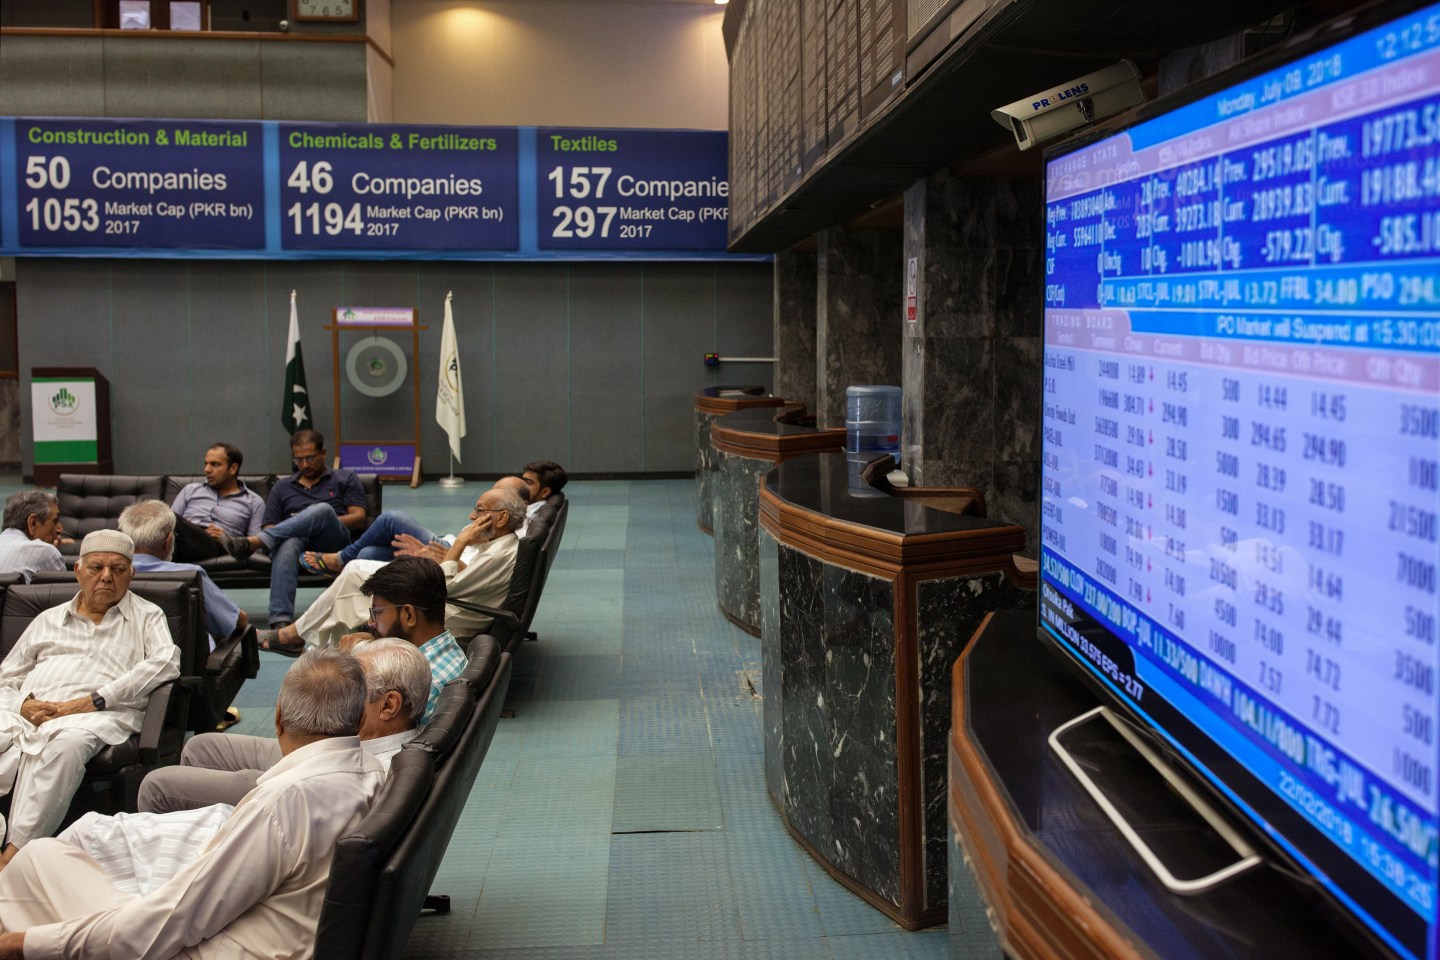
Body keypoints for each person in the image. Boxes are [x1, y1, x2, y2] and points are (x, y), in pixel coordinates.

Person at [0, 648, 385, 960]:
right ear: (358, 716)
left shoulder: (285, 801)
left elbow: (171, 924)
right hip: (261, 932)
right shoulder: (373, 772)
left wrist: (26, 945)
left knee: (31, 873)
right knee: (40, 857)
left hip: (211, 948)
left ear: (278, 719)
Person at [0, 530, 180, 865]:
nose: (106, 577)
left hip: (98, 715)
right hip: (29, 715)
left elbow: (166, 662)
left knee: (65, 747)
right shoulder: (46, 620)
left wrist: (91, 701)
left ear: (132, 573)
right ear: (78, 570)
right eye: (96, 567)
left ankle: (13, 858)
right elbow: (5, 678)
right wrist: (23, 705)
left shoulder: (146, 616)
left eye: (118, 569)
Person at [126, 636, 425, 824]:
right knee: (200, 746)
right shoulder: (393, 738)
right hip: (337, 750)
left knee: (156, 785)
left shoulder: (375, 771)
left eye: (355, 688)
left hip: (314, 777)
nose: (342, 691)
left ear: (388, 706)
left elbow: (308, 792)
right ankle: (204, 827)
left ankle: (197, 842)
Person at [263, 489, 521, 656]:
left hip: (442, 611)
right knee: (357, 568)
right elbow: (460, 579)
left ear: (500, 519)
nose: (471, 516)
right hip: (446, 600)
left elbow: (442, 586)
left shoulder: (499, 553)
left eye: (479, 511)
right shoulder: (499, 546)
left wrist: (462, 542)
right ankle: (312, 646)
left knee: (355, 582)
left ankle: (301, 641)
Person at [221, 429, 368, 630]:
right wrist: (299, 525)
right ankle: (280, 622)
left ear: (323, 453)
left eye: (310, 458)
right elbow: (270, 525)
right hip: (296, 544)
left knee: (322, 510)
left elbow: (359, 517)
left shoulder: (344, 478)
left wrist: (313, 518)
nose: (305, 465)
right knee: (289, 542)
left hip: (333, 542)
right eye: (299, 460)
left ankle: (256, 542)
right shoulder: (283, 487)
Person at [300, 473, 532, 574]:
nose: (474, 515)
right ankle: (349, 565)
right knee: (368, 553)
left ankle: (340, 559)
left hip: (448, 554)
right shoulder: (500, 524)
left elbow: (468, 572)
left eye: (499, 493)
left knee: (392, 519)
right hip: (451, 545)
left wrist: (436, 554)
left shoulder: (512, 534)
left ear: (517, 503)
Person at [118, 500, 248, 649]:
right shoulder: (189, 575)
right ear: (168, 541)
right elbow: (235, 622)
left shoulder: (105, 576)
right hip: (184, 667)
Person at [167, 442, 265, 564]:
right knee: (166, 520)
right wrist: (188, 527)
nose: (207, 469)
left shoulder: (254, 502)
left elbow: (257, 548)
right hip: (184, 538)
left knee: (171, 519)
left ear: (233, 468)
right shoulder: (190, 490)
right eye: (206, 464)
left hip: (217, 546)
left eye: (215, 464)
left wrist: (226, 539)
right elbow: (166, 525)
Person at [0, 492, 65, 583]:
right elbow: (63, 595)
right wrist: (51, 551)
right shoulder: (46, 551)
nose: (59, 530)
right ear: (33, 523)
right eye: (55, 521)